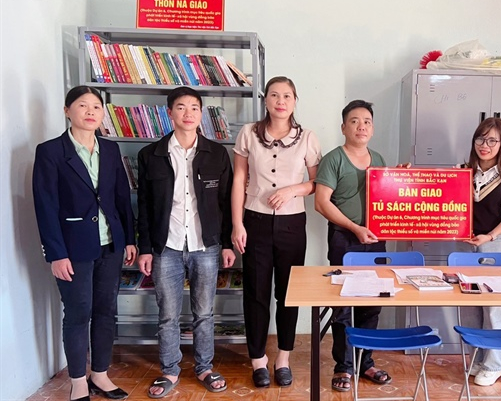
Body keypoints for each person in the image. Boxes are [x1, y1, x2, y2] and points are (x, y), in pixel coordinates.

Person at [33, 85, 136, 401]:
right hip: (72, 248)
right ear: (67, 111)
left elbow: (122, 198)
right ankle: (78, 380)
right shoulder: (51, 152)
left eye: (96, 106)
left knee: (106, 311)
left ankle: (100, 375)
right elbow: (45, 206)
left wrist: (129, 239)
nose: (90, 111)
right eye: (82, 105)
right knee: (79, 312)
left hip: (111, 244)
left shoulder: (111, 149)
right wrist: (56, 253)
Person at [137, 87, 233, 398]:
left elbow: (226, 201)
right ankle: (169, 370)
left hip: (206, 246)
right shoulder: (151, 154)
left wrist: (227, 243)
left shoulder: (217, 153)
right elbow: (144, 206)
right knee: (168, 314)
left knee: (204, 312)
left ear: (201, 113)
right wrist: (145, 248)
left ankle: (204, 367)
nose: (188, 113)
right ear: (170, 113)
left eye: (194, 107)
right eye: (181, 107)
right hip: (167, 246)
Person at [231, 76, 321, 388]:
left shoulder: (307, 137)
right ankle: (258, 359)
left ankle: (283, 357)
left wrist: (292, 189)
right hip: (254, 220)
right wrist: (237, 223)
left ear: (295, 101)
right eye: (274, 95)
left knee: (288, 293)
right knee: (255, 292)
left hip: (292, 224)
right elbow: (239, 179)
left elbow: (317, 183)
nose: (280, 101)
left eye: (287, 96)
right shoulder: (248, 133)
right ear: (266, 100)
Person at [314, 100, 391, 393]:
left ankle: (365, 362)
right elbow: (321, 203)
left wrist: (402, 177)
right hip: (344, 239)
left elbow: (389, 196)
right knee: (344, 304)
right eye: (355, 121)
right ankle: (344, 367)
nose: (362, 126)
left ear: (373, 128)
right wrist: (354, 228)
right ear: (344, 127)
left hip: (376, 239)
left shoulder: (379, 159)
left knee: (372, 303)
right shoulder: (334, 159)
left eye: (367, 121)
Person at [459, 118, 501, 387]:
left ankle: (494, 364)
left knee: (495, 308)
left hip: (494, 244)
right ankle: (477, 359)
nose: (484, 145)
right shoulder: (464, 172)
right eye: (480, 139)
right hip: (465, 246)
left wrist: (489, 236)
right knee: (471, 307)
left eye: (492, 140)